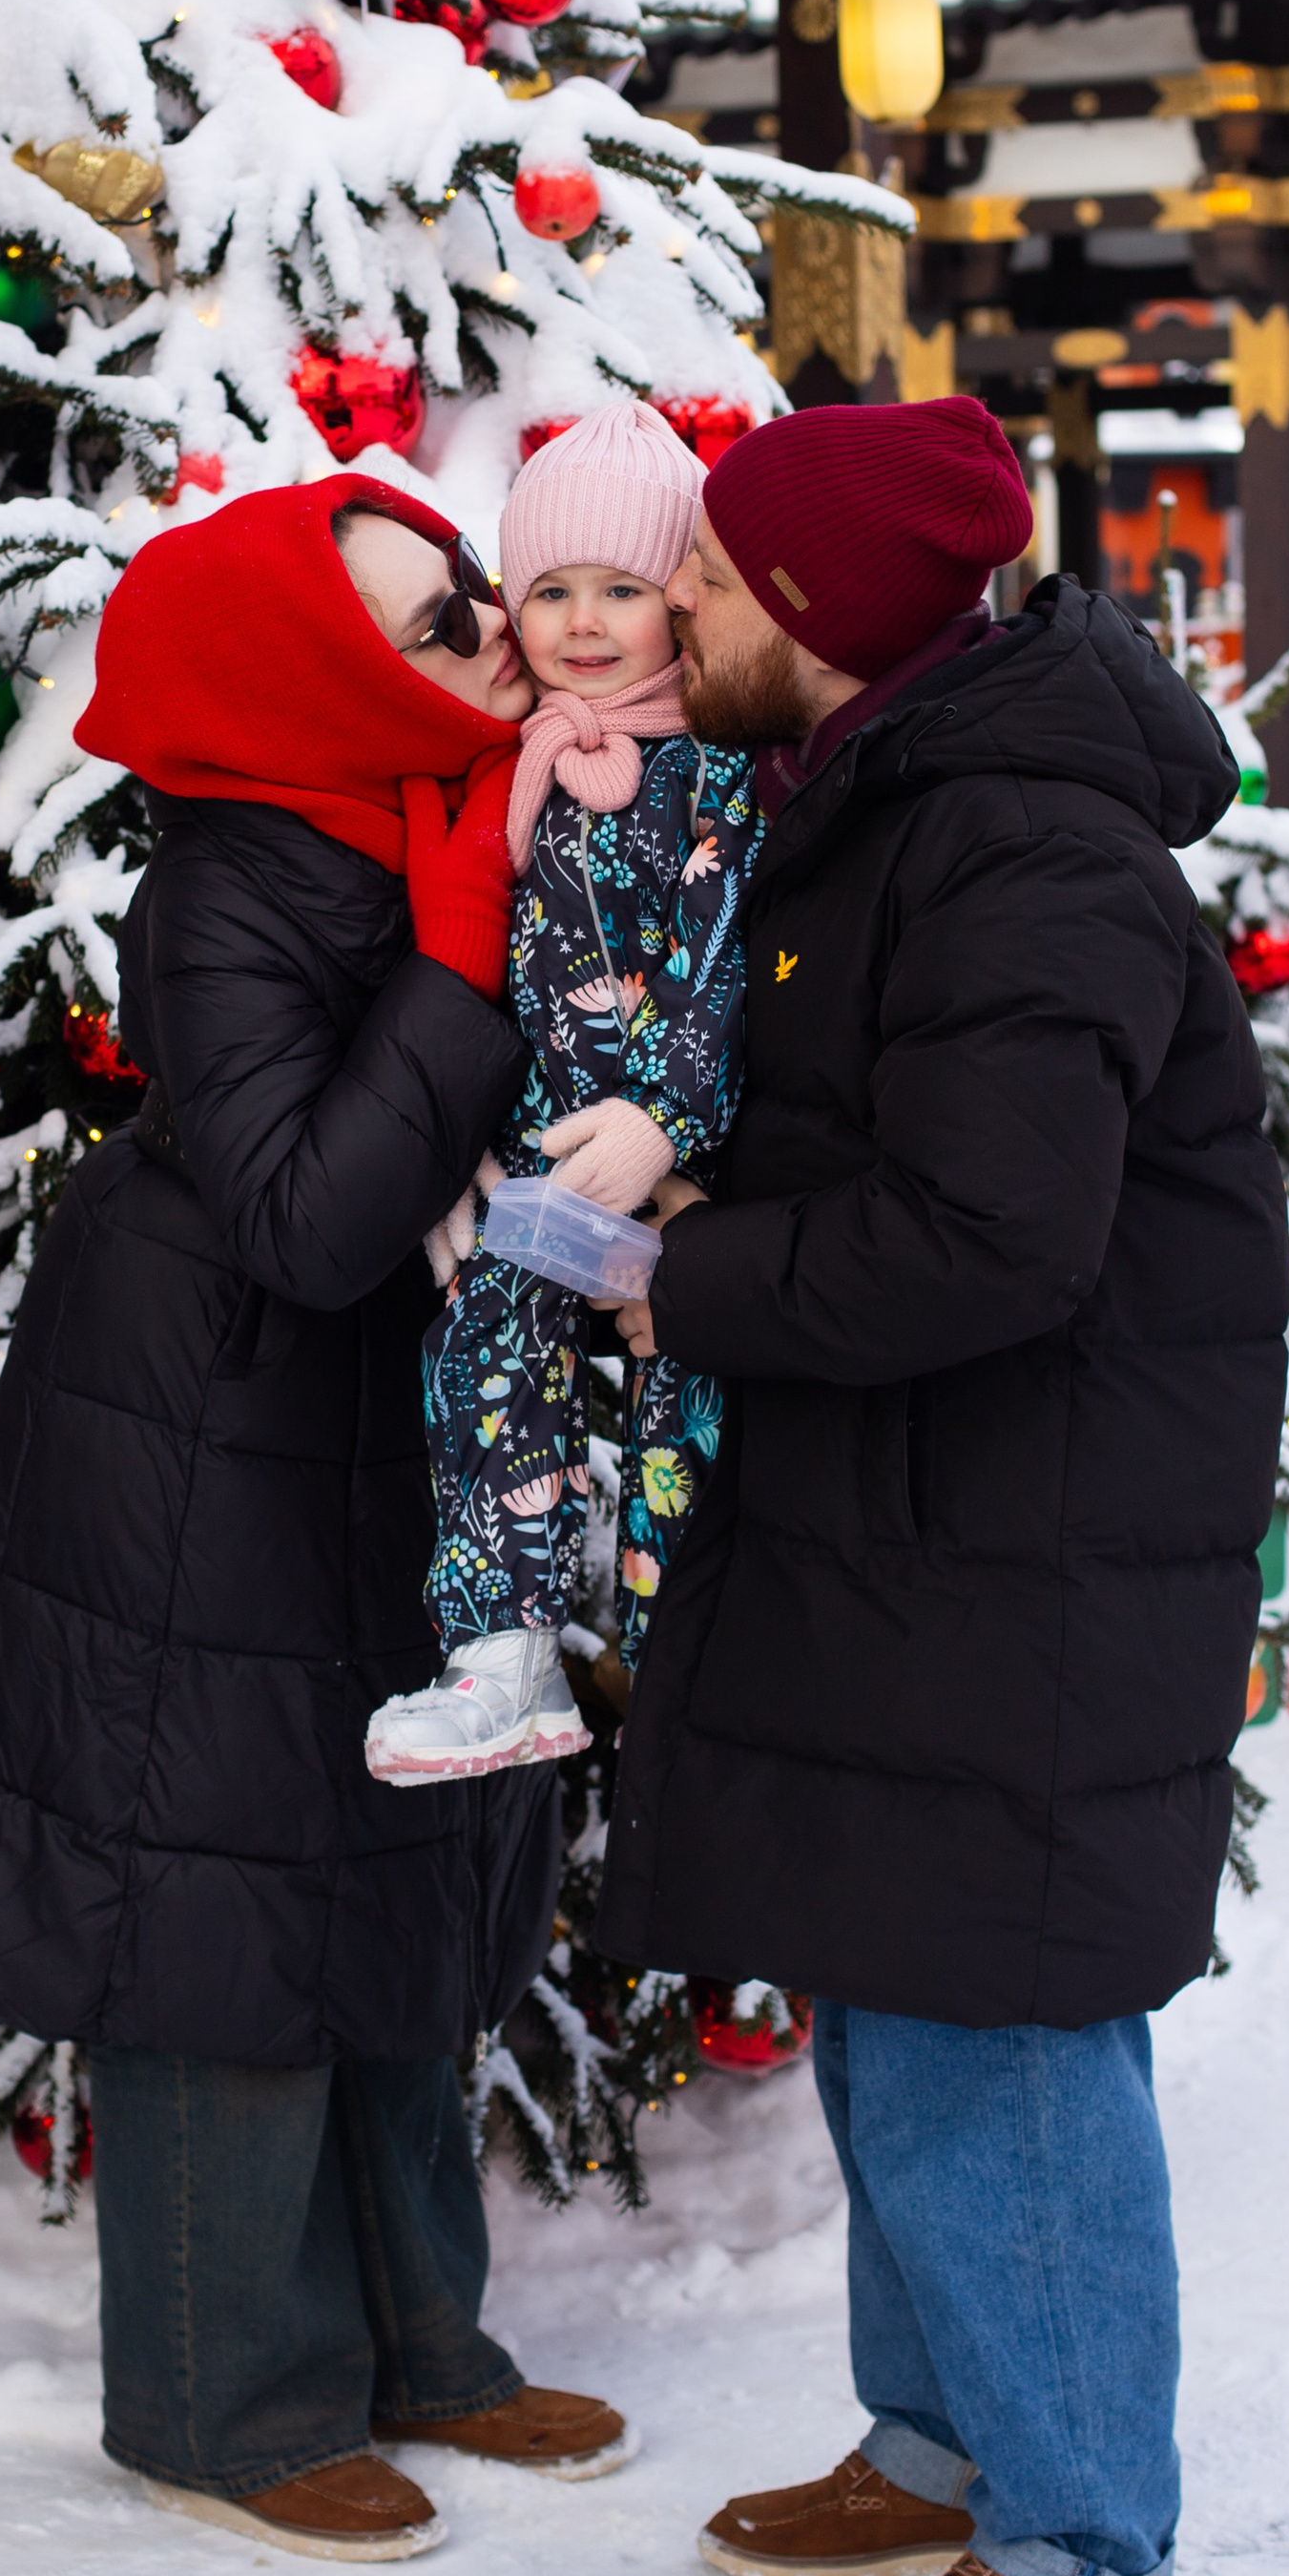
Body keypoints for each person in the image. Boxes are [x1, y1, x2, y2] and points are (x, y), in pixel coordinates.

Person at [595, 396, 1289, 2576]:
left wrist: (681, 1280)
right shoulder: (891, 802)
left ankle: (1081, 2528)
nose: (665, 605)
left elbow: (996, 1231)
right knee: (891, 1976)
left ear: (812, 614)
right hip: (918, 1512)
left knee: (999, 2008)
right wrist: (720, 1223)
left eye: (701, 572)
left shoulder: (1016, 847)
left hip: (1036, 1531)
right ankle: (934, 2436)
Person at [0, 476, 629, 2564]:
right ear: (301, 669)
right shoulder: (232, 882)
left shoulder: (440, 815)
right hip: (214, 1441)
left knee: (396, 1866)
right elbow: (300, 1215)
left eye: (462, 581)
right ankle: (222, 2394)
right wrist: (464, 967)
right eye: (420, 612)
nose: (483, 619)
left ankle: (419, 2349)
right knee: (225, 1899)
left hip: (374, 1433)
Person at [365, 404, 759, 1781]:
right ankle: (507, 1651)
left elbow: (719, 964)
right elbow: (479, 973)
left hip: (675, 1166)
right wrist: (459, 1147)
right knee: (483, 1359)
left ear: (681, 602)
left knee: (680, 1408)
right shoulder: (518, 763)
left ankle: (686, 1673)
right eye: (549, 590)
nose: (583, 623)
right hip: (543, 1168)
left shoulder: (712, 767)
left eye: (622, 590)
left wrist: (666, 1116)